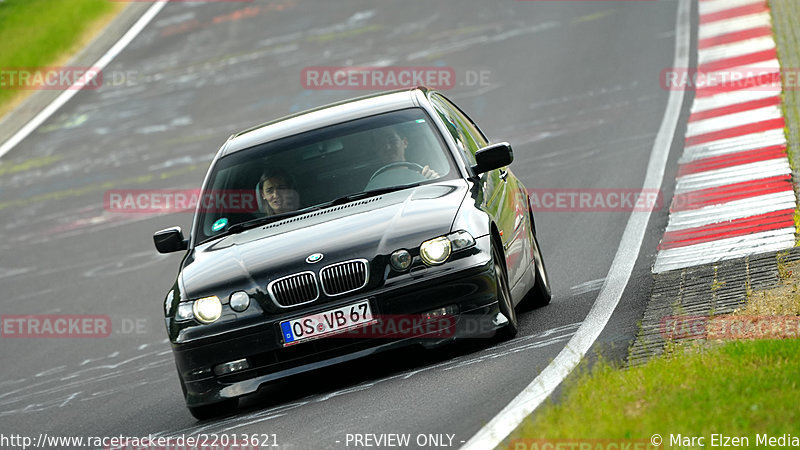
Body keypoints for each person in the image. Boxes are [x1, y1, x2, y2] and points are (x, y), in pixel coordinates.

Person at [374, 127, 440, 179]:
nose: (387, 147)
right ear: (377, 150)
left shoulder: (423, 175)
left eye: (392, 141)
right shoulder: (374, 188)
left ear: (405, 143)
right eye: (381, 143)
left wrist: (433, 179)